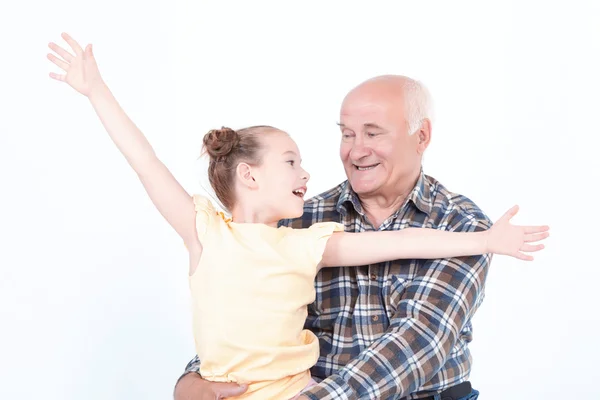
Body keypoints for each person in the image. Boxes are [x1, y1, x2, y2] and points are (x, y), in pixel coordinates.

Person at [46, 33, 548, 400]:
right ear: (249, 176)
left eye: (373, 132)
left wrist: (486, 239)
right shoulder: (298, 220)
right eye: (347, 134)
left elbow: (417, 343)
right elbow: (251, 319)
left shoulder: (458, 223)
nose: (354, 151)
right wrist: (193, 382)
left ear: (422, 136)